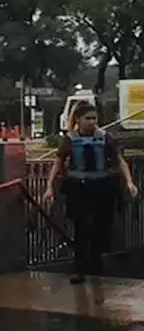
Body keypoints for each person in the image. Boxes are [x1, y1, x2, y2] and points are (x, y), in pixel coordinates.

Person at [45, 102, 138, 283]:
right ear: (78, 119)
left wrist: (129, 182)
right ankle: (81, 268)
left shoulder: (105, 138)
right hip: (78, 187)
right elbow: (58, 163)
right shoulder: (70, 139)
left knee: (101, 227)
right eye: (87, 118)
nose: (92, 122)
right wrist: (49, 187)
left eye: (94, 118)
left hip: (102, 187)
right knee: (81, 227)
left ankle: (96, 264)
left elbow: (120, 161)